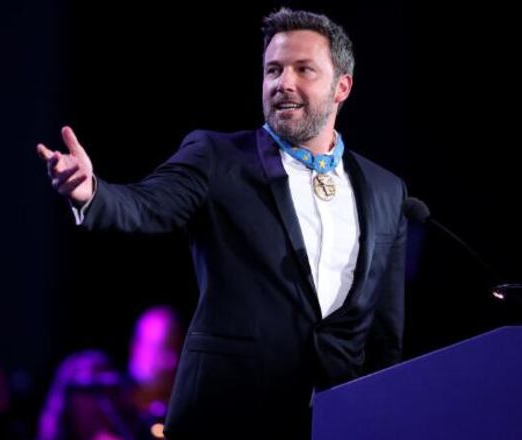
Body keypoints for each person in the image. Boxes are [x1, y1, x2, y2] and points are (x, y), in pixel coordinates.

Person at [37, 8, 407, 439]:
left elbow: (385, 334)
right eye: (273, 70)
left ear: (342, 86)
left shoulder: (386, 190)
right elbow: (146, 205)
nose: (283, 82)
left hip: (336, 422)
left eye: (303, 69)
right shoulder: (217, 158)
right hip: (228, 415)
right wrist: (92, 192)